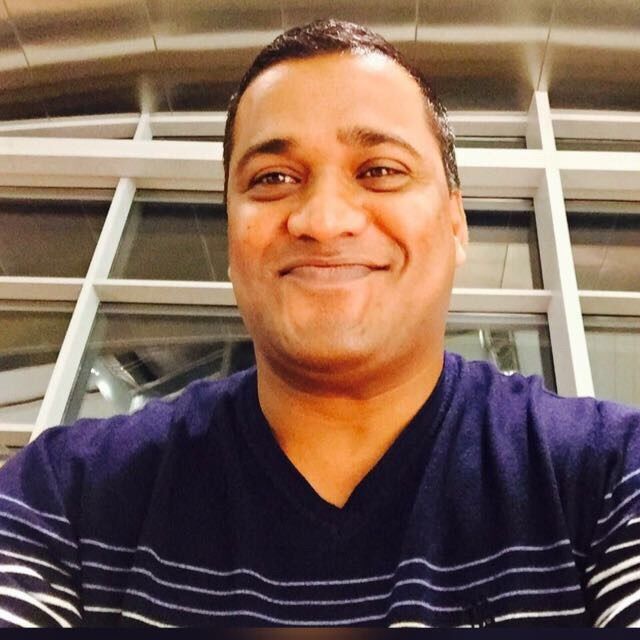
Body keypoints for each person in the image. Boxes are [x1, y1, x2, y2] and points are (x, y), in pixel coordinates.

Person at [0, 19, 639, 629]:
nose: (325, 220)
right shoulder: (63, 499)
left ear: (455, 223)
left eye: (379, 170)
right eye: (273, 178)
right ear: (231, 242)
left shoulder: (610, 477)